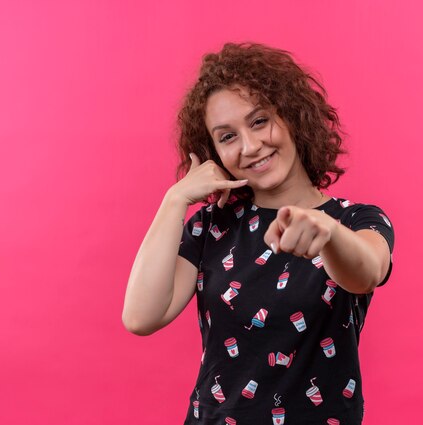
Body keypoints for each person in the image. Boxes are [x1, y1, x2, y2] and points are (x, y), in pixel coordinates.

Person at [123, 42, 395, 425]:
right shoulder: (209, 227)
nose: (250, 147)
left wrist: (329, 233)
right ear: (214, 152)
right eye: (227, 136)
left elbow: (367, 270)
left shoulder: (356, 220)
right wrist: (176, 199)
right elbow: (140, 316)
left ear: (292, 116)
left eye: (259, 121)